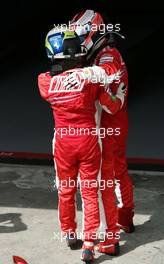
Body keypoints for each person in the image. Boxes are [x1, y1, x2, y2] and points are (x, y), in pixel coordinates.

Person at [38, 26, 123, 262]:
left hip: (63, 143)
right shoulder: (90, 79)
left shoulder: (44, 83)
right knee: (89, 192)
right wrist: (121, 95)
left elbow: (54, 74)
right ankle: (88, 244)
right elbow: (112, 102)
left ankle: (69, 234)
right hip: (88, 141)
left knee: (65, 190)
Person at [66, 9, 135, 254]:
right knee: (111, 172)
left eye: (78, 35)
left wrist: (73, 73)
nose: (73, 41)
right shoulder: (97, 53)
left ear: (92, 32)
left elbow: (103, 75)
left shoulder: (108, 56)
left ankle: (122, 219)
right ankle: (123, 219)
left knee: (112, 172)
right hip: (106, 118)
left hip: (112, 121)